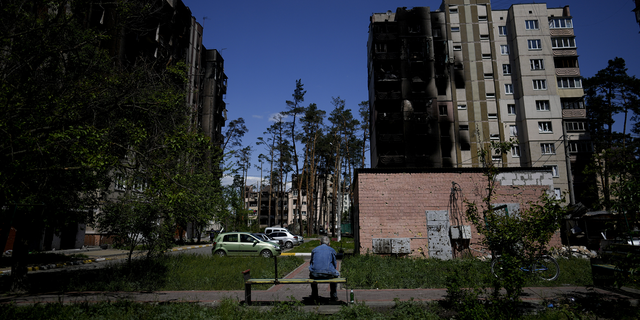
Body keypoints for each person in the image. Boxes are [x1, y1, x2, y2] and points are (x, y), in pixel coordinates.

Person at [308, 236, 339, 300]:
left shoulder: (314, 250)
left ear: (320, 243)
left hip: (315, 274)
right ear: (329, 244)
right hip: (328, 273)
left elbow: (311, 263)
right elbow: (334, 264)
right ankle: (333, 296)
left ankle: (314, 295)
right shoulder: (332, 250)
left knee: (311, 275)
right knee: (335, 276)